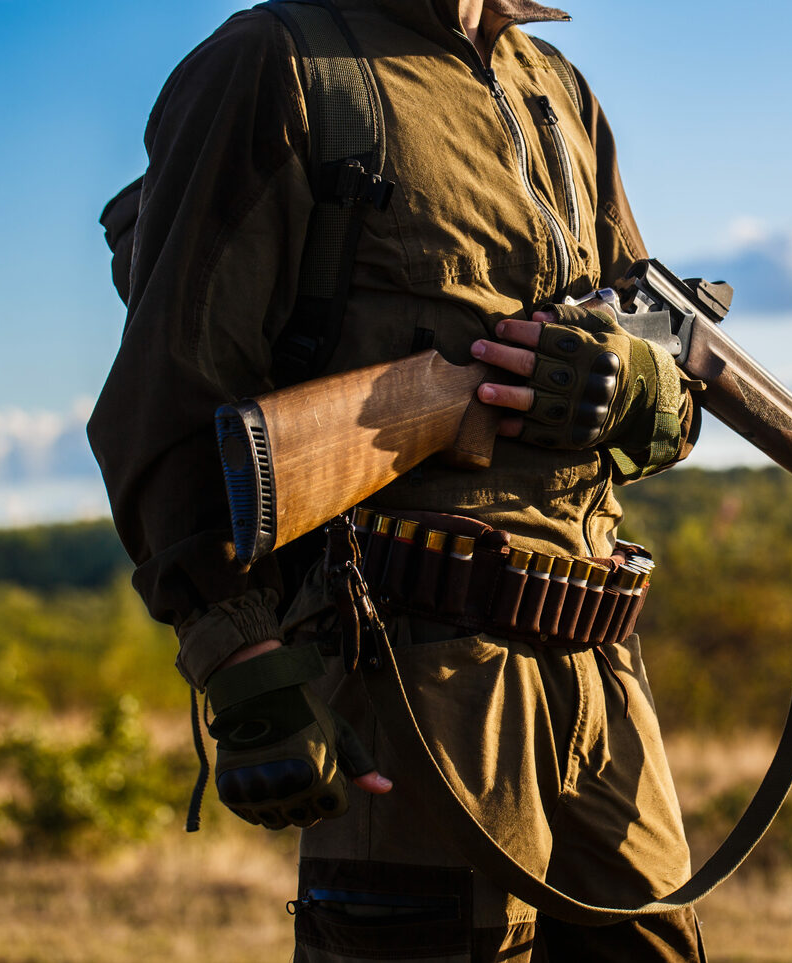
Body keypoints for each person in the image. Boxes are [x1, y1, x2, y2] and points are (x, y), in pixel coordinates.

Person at [87, 1, 708, 959]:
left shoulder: (557, 88)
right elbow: (165, 400)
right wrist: (244, 665)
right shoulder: (278, 64)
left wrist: (638, 386)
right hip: (410, 669)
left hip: (597, 663)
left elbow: (650, 336)